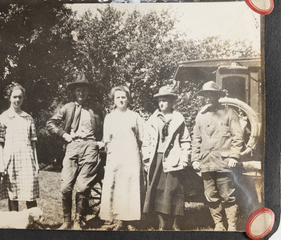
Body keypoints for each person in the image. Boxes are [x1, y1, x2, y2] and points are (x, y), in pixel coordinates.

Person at [46, 75, 104, 230]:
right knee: (65, 186)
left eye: (84, 90)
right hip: (72, 146)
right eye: (78, 90)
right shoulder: (67, 107)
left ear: (88, 91)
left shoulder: (96, 108)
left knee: (83, 187)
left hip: (90, 147)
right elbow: (50, 123)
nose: (81, 93)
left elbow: (106, 126)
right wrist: (64, 135)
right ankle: (66, 221)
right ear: (74, 92)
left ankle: (78, 221)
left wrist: (102, 141)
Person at [191, 81, 243, 231]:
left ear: (217, 96)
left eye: (211, 95)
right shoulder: (201, 116)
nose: (208, 98)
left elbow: (237, 136)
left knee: (227, 195)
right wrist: (195, 159)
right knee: (210, 195)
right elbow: (196, 138)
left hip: (224, 162)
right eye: (206, 95)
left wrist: (234, 156)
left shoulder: (229, 113)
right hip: (206, 162)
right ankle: (219, 225)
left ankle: (232, 226)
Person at [142, 86, 191, 230]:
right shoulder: (153, 119)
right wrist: (146, 159)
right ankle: (162, 224)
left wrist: (184, 159)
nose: (161, 104)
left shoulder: (178, 119)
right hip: (156, 159)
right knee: (157, 189)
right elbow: (147, 141)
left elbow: (185, 140)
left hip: (174, 159)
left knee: (174, 189)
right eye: (159, 101)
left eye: (164, 101)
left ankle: (176, 224)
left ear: (171, 102)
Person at [99, 85, 145, 230]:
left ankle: (130, 220)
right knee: (114, 186)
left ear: (128, 99)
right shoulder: (109, 117)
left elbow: (141, 138)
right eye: (117, 97)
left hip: (131, 156)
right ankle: (113, 219)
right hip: (115, 155)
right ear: (113, 100)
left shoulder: (135, 116)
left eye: (123, 97)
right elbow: (106, 140)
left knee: (130, 187)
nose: (121, 100)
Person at [0, 83, 39, 212]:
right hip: (10, 158)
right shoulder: (2, 118)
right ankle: (14, 224)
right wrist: (1, 164)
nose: (17, 100)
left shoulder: (28, 118)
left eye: (20, 97)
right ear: (9, 97)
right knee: (12, 193)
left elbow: (33, 142)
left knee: (30, 192)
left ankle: (34, 223)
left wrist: (36, 162)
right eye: (14, 97)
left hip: (27, 158)